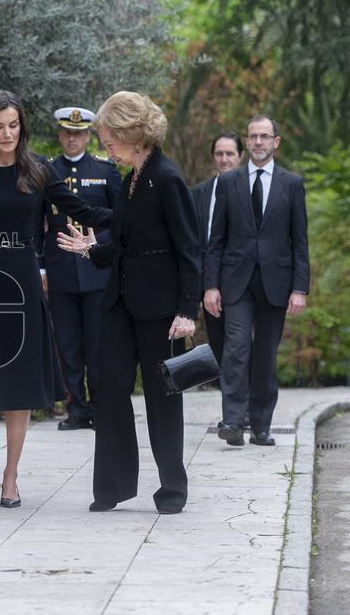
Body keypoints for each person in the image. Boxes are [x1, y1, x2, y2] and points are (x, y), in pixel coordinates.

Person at [0, 90, 111, 508]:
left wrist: (132, 215)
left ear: (22, 127)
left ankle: (12, 477)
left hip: (25, 284)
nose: (7, 133)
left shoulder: (40, 171)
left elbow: (82, 210)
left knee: (19, 386)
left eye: (13, 125)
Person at [57, 91, 200, 515]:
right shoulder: (131, 178)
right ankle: (113, 488)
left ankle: (172, 489)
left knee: (162, 396)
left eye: (108, 139)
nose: (106, 147)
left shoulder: (166, 177)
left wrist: (188, 311)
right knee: (110, 389)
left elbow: (190, 250)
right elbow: (124, 246)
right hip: (119, 304)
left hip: (160, 309)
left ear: (131, 133)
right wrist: (89, 249)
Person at [204, 116, 309, 448]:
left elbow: (300, 241)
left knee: (265, 354)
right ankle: (233, 420)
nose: (259, 142)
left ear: (276, 142)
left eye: (265, 136)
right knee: (235, 349)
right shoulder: (229, 181)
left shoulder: (291, 184)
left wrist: (299, 288)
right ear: (246, 142)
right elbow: (216, 240)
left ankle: (261, 425)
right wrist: (211, 285)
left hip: (276, 282)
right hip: (236, 281)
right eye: (253, 137)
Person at [44, 107, 121, 431]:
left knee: (98, 346)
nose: (72, 138)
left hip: (97, 272)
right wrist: (40, 268)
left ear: (89, 135)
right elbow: (38, 223)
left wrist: (100, 249)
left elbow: (119, 220)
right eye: (67, 132)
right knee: (68, 345)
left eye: (79, 133)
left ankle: (102, 408)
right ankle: (77, 408)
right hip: (60, 269)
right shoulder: (47, 171)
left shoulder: (105, 171)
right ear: (60, 134)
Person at [189, 132, 244, 365]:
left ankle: (245, 394)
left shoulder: (253, 190)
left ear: (241, 156)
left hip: (244, 279)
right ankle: (228, 395)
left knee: (241, 342)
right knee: (218, 343)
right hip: (209, 281)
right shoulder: (199, 193)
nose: (224, 159)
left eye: (229, 153)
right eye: (219, 154)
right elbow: (192, 240)